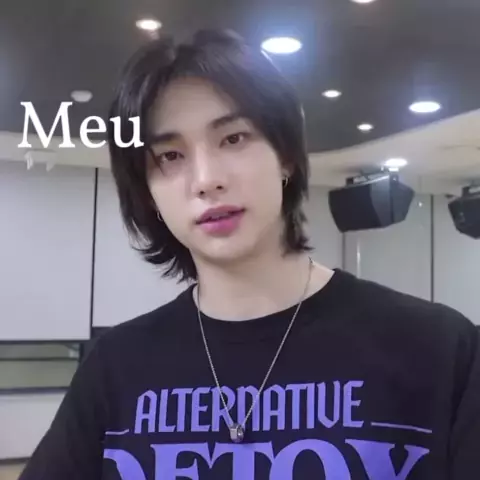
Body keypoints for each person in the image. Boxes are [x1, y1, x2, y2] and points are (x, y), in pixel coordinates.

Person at [20, 29, 479, 480]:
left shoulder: (439, 349)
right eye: (170, 156)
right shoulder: (116, 368)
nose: (206, 179)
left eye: (234, 138)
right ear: (147, 191)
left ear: (286, 157)